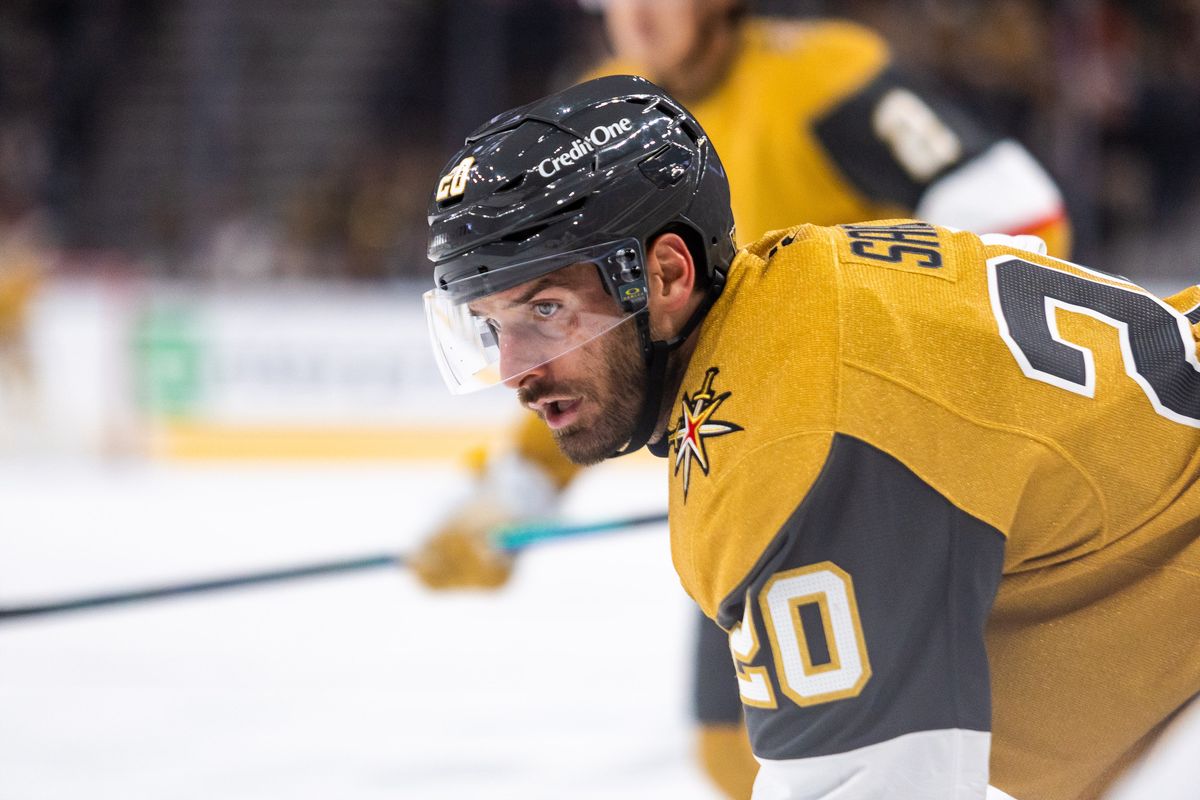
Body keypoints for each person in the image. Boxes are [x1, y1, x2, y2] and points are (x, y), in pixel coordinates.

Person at [422, 74, 1200, 799]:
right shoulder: (802, 294)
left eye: (546, 311)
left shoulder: (790, 451)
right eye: (491, 328)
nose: (515, 372)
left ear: (665, 275)